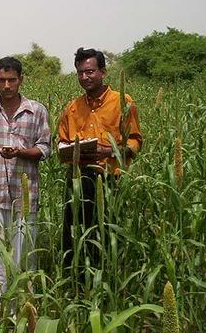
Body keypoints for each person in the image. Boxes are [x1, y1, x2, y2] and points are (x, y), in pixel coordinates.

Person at [0, 57, 51, 303]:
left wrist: (20, 152)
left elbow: (45, 148)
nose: (6, 85)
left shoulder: (36, 110)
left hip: (24, 195)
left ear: (21, 80)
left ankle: (21, 308)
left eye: (11, 80)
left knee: (22, 252)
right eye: (2, 80)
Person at [58, 48, 142, 267]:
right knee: (74, 233)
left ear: (103, 72)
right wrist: (70, 152)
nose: (84, 77)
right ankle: (75, 282)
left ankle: (107, 280)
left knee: (107, 234)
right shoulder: (73, 107)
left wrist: (110, 151)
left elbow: (135, 141)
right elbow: (62, 141)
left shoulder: (122, 102)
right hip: (78, 179)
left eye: (90, 72)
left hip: (109, 179)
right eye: (80, 73)